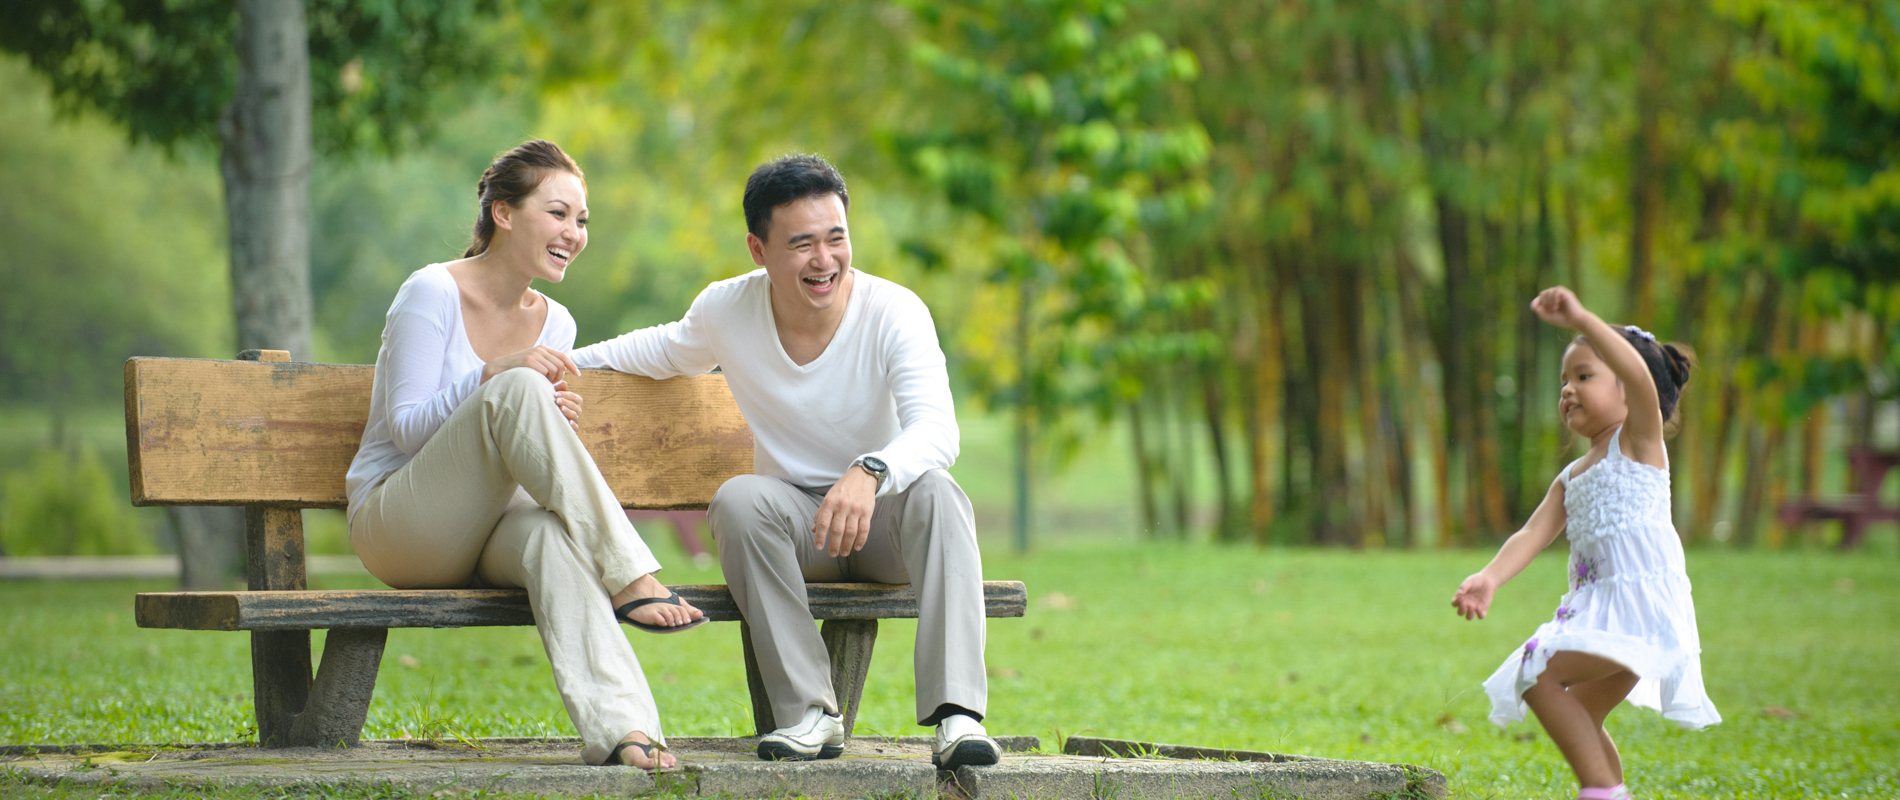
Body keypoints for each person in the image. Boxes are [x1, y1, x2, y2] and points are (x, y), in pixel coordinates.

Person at [572, 154, 1000, 768]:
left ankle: (958, 717)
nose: (824, 260)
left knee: (939, 493)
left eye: (836, 238)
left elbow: (937, 429)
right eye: (801, 244)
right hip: (800, 530)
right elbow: (656, 349)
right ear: (758, 249)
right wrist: (548, 356)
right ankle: (808, 715)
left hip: (884, 527)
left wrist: (870, 472)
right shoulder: (727, 310)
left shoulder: (895, 311)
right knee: (738, 500)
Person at [344, 140, 705, 770]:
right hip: (398, 524)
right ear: (504, 213)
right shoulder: (431, 292)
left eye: (582, 220)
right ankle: (628, 572)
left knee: (549, 539)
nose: (574, 232)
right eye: (559, 213)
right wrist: (497, 378)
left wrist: (545, 417)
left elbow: (517, 445)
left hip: (488, 529)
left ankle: (625, 730)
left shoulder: (556, 323)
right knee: (515, 387)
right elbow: (405, 431)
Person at [1452, 286, 1721, 800]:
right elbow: (1532, 533)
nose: (1568, 390)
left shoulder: (1640, 442)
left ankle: (1600, 792)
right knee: (1584, 712)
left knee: (1537, 675)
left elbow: (1640, 374)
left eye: (1583, 375)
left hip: (1639, 609)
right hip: (1597, 611)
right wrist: (1489, 577)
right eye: (1563, 381)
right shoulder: (1573, 476)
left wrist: (1582, 318)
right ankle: (1607, 791)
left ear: (1627, 391)